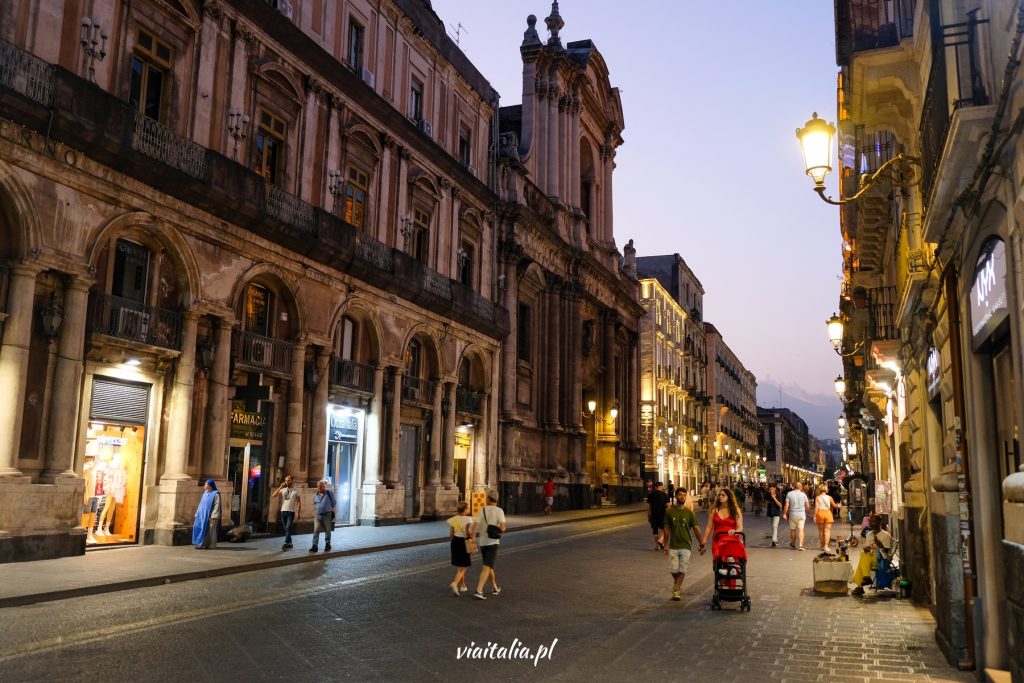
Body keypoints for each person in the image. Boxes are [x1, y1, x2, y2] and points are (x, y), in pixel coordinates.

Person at [662, 488, 704, 601]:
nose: (682, 497)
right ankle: (677, 584)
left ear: (686, 497)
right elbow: (666, 529)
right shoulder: (669, 512)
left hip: (686, 545)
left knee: (682, 569)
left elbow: (696, 529)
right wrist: (665, 544)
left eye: (684, 495)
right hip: (673, 545)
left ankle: (676, 590)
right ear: (675, 496)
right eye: (679, 495)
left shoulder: (689, 513)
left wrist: (702, 544)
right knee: (673, 570)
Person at [474, 493, 506, 600]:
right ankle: (479, 590)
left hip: (482, 542)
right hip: (493, 542)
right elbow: (502, 527)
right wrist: (497, 530)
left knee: (489, 566)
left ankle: (495, 588)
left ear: (487, 499)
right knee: (487, 566)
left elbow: (475, 525)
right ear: (496, 500)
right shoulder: (499, 511)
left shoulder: (481, 510)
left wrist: (472, 539)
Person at [852, 514, 894, 596]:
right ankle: (866, 578)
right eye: (870, 521)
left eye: (873, 521)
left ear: (879, 522)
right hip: (870, 558)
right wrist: (867, 548)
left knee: (863, 559)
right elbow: (869, 549)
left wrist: (880, 545)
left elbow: (886, 554)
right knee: (864, 555)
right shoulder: (869, 534)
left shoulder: (885, 535)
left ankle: (861, 586)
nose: (871, 524)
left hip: (881, 559)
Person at [447, 501, 476, 596]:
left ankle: (462, 585)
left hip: (455, 542)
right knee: (464, 566)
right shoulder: (469, 519)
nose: (468, 509)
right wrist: (472, 541)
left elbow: (451, 534)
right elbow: (468, 534)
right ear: (465, 510)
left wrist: (454, 540)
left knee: (460, 566)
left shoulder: (453, 519)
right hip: (464, 542)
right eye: (468, 508)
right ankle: (455, 583)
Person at [272, 474, 302, 550]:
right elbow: (273, 495)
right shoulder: (283, 489)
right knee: (286, 529)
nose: (287, 482)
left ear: (292, 480)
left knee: (288, 528)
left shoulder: (296, 490)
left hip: (291, 512)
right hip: (283, 511)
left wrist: (298, 513)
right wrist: (280, 487)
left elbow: (298, 502)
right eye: (285, 480)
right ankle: (290, 543)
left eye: (288, 480)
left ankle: (285, 543)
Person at [192, 479, 221, 549]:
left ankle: (212, 544)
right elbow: (201, 504)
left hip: (211, 515)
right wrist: (197, 513)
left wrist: (214, 515)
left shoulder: (216, 494)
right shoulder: (205, 493)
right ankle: (202, 543)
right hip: (202, 515)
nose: (204, 485)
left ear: (210, 486)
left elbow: (217, 505)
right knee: (202, 529)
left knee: (211, 530)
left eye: (206, 484)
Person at [783, 481, 811, 551]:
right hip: (801, 514)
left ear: (794, 486)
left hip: (792, 514)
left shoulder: (789, 494)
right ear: (801, 487)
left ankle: (793, 544)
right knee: (801, 529)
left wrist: (784, 514)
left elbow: (786, 505)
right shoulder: (803, 494)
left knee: (793, 530)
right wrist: (807, 513)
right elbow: (807, 506)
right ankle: (800, 545)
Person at [813, 483, 841, 552]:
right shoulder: (829, 497)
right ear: (826, 490)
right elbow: (834, 506)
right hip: (828, 513)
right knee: (827, 531)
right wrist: (839, 506)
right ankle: (826, 546)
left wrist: (814, 516)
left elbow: (816, 508)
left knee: (821, 531)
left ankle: (822, 545)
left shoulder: (817, 498)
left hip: (820, 513)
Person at [309, 479, 335, 553]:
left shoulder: (329, 494)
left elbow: (334, 503)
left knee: (327, 530)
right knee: (316, 530)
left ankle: (327, 544)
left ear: (324, 486)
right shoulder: (315, 495)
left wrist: (328, 509)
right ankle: (315, 546)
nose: (319, 488)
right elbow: (315, 504)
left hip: (327, 514)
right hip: (317, 515)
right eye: (318, 486)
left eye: (320, 486)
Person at [646, 481, 669, 550]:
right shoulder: (664, 494)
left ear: (655, 487)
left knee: (655, 530)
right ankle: (660, 540)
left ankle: (657, 546)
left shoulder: (651, 494)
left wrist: (648, 515)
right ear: (661, 486)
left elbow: (649, 506)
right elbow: (668, 506)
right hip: (662, 514)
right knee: (666, 528)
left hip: (653, 515)